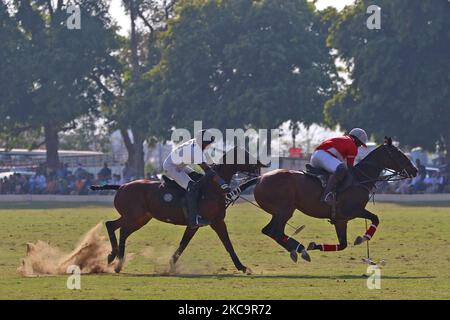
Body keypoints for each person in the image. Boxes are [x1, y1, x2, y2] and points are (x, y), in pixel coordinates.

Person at [163, 129, 231, 228]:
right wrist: (222, 183)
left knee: (198, 177)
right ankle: (193, 220)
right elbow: (208, 171)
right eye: (208, 144)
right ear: (203, 142)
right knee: (192, 188)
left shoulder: (197, 143)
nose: (208, 146)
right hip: (171, 167)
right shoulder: (196, 151)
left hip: (180, 165)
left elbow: (209, 164)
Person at [310, 128, 368, 205]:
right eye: (360, 143)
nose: (359, 146)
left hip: (315, 156)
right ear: (356, 139)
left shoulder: (343, 139)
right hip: (323, 156)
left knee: (338, 170)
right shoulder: (352, 146)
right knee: (342, 169)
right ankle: (326, 195)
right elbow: (350, 168)